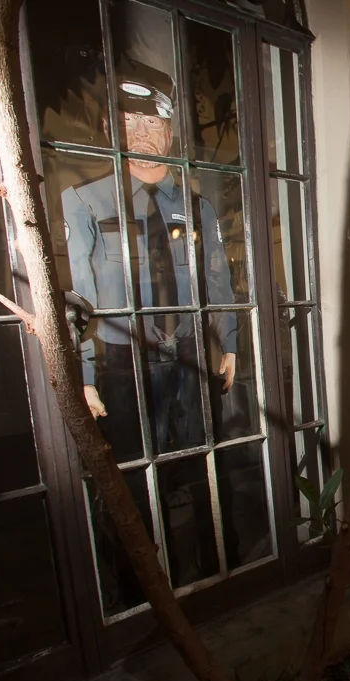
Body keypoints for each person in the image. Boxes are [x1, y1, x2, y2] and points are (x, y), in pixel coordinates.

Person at [62, 58, 236, 460]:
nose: (139, 133)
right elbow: (79, 301)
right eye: (127, 121)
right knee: (136, 465)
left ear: (170, 132)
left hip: (192, 356)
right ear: (109, 128)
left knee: (204, 458)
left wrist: (229, 342)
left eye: (152, 122)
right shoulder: (85, 201)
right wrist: (85, 376)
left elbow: (218, 280)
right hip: (125, 364)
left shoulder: (198, 208)